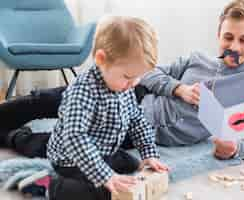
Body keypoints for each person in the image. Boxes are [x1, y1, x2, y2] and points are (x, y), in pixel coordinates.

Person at [0, 0, 244, 165]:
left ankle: (13, 136)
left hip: (146, 129)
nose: (233, 46)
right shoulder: (197, 59)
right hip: (137, 94)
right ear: (218, 34)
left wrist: (235, 148)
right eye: (228, 37)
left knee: (71, 148)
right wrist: (178, 88)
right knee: (50, 99)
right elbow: (149, 73)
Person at [7, 16, 169, 200]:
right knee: (103, 192)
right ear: (101, 59)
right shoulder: (82, 91)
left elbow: (137, 121)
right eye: (128, 76)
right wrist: (105, 176)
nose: (133, 84)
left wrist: (149, 154)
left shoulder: (125, 86)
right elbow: (75, 138)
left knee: (131, 164)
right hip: (71, 159)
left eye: (138, 78)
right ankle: (45, 185)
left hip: (103, 149)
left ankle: (107, 169)